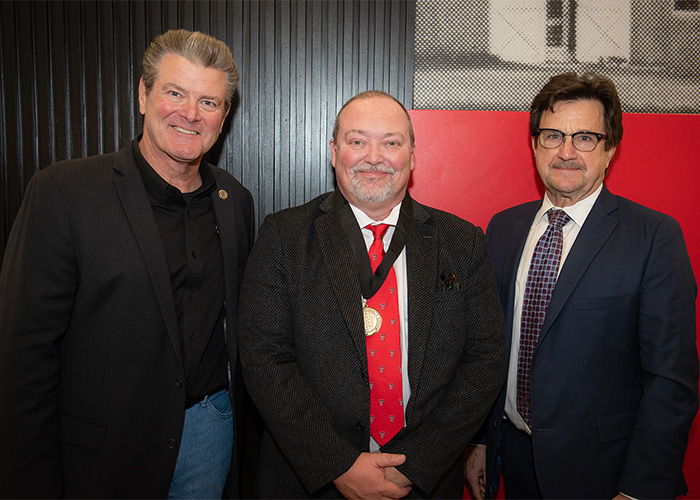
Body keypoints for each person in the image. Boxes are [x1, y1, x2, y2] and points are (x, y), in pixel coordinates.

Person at [0, 29, 255, 498]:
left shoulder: (234, 201)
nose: (190, 114)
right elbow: (24, 353)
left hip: (210, 435)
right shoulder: (64, 192)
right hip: (104, 450)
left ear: (224, 114)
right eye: (175, 93)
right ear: (143, 94)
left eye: (210, 102)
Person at [237, 90, 507, 499]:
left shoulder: (461, 242)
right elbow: (264, 358)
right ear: (334, 151)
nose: (374, 157)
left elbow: (484, 360)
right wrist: (339, 465)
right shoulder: (285, 236)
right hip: (311, 478)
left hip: (423, 481)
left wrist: (414, 463)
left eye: (392, 143)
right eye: (357, 141)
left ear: (413, 155)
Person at [464, 71, 699, 499]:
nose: (567, 152)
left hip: (606, 474)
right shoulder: (503, 228)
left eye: (586, 137)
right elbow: (487, 349)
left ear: (610, 149)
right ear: (535, 144)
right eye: (553, 136)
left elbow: (672, 381)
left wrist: (639, 490)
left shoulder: (653, 237)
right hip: (514, 459)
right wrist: (481, 439)